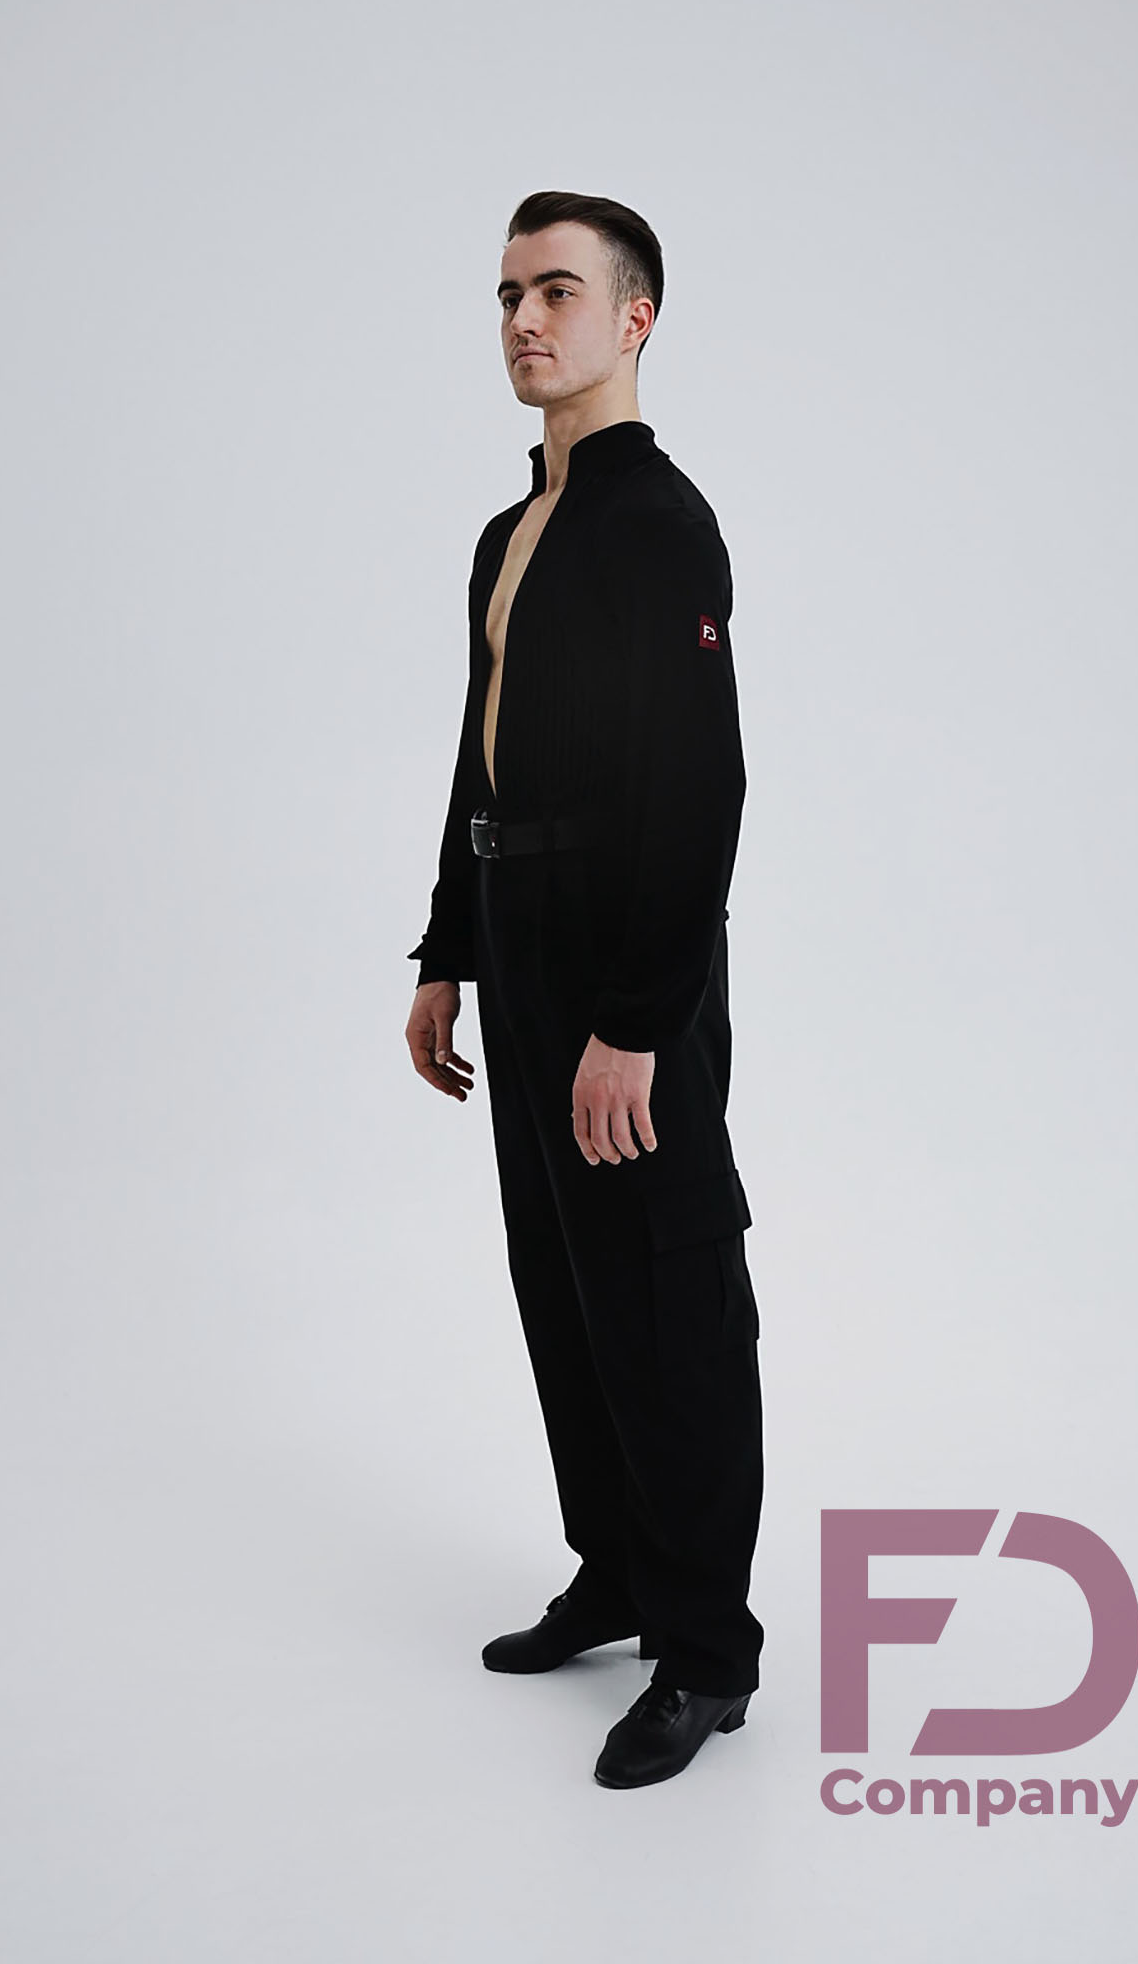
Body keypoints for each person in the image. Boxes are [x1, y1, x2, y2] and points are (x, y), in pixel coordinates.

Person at [404, 191, 763, 1789]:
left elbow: (698, 786)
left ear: (635, 318)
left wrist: (635, 1022)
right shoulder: (510, 532)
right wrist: (446, 947)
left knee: (665, 1294)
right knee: (559, 1273)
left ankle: (708, 1654)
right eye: (506, 295)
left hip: (624, 957)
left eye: (557, 291)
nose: (523, 321)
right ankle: (613, 1572)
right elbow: (477, 752)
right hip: (519, 932)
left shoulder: (657, 522)